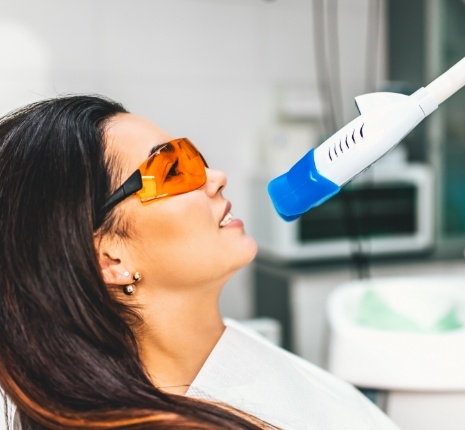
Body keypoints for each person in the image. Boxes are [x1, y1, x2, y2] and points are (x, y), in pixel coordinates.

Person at [0, 95, 400, 430]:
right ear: (109, 259)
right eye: (173, 169)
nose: (216, 176)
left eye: (194, 157)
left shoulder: (231, 347)